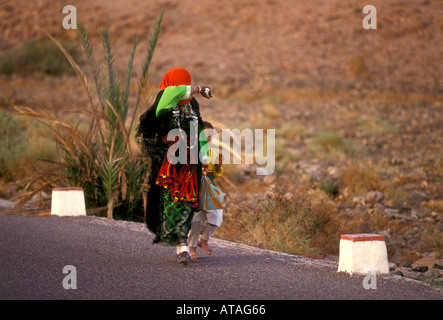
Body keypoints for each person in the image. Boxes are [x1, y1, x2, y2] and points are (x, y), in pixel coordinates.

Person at [135, 67, 212, 265]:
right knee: (173, 201)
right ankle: (182, 246)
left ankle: (182, 246)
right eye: (182, 84)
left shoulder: (193, 103)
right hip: (170, 163)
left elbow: (199, 127)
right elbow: (176, 92)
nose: (185, 88)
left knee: (188, 203)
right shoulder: (166, 96)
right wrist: (198, 88)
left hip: (191, 162)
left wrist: (205, 155)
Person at [188, 121, 224, 259]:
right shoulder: (191, 151)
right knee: (195, 220)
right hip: (194, 188)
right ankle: (191, 248)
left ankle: (204, 241)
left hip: (208, 188)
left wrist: (218, 166)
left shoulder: (212, 153)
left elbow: (215, 174)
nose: (208, 137)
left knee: (216, 216)